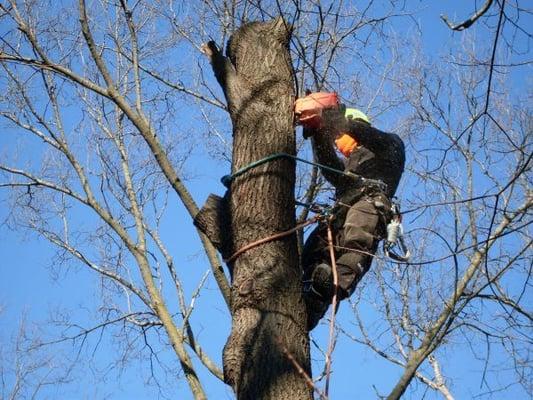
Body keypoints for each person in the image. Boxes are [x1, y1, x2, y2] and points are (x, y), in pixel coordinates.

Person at [302, 107, 406, 330]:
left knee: (357, 238)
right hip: (340, 212)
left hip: (369, 203)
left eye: (340, 135)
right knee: (314, 247)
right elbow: (330, 168)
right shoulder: (352, 164)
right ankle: (311, 295)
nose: (338, 141)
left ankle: (332, 287)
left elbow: (370, 136)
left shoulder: (389, 147)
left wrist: (334, 121)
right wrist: (318, 134)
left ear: (356, 125)